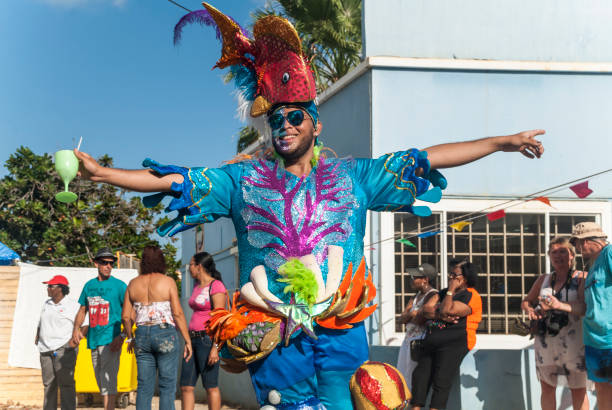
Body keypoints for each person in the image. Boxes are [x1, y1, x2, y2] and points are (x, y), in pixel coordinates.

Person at [73, 4, 543, 408]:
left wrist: (501, 141)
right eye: (275, 118)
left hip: (342, 334)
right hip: (275, 338)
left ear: (315, 124)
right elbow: (174, 179)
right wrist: (103, 175)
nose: (284, 125)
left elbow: (427, 158)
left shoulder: (353, 176)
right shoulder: (243, 180)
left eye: (295, 116)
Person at [521, 237, 590, 410]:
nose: (558, 256)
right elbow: (526, 301)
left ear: (572, 255)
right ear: (549, 256)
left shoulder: (582, 278)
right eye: (554, 252)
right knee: (547, 387)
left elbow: (584, 307)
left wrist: (559, 305)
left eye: (563, 251)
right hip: (546, 342)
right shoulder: (543, 279)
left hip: (574, 343)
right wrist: (531, 310)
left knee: (578, 390)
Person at [121, 245, 192, 410]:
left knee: (144, 387)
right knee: (167, 386)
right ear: (161, 260)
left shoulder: (133, 284)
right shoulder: (167, 282)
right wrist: (187, 340)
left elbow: (125, 316)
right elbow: (178, 313)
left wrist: (130, 338)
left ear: (143, 262)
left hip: (141, 335)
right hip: (165, 333)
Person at [411, 259, 482, 410]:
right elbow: (425, 309)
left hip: (454, 344)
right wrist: (439, 314)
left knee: (441, 381)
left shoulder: (471, 296)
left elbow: (448, 310)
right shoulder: (442, 293)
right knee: (420, 378)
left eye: (455, 275)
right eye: (450, 274)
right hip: (431, 342)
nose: (451, 277)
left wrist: (449, 293)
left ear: (465, 277)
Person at [72, 247, 127, 410]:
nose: (108, 266)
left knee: (108, 380)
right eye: (104, 263)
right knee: (100, 380)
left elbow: (131, 312)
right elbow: (83, 309)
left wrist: (123, 335)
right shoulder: (89, 285)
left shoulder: (119, 286)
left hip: (112, 339)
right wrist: (76, 329)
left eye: (111, 263)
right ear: (95, 263)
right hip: (93, 340)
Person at [570, 222, 612, 410]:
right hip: (594, 339)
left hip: (610, 337)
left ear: (586, 241)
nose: (578, 249)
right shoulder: (593, 266)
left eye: (577, 244)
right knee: (602, 389)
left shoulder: (608, 254)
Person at [180, 252, 227, 410]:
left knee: (210, 386)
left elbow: (221, 319)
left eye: (191, 265)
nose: (190, 269)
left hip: (207, 341)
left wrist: (215, 348)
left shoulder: (216, 286)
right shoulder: (196, 285)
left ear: (199, 266)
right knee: (186, 386)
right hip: (191, 340)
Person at [36, 275, 86, 410]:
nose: (48, 288)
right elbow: (41, 322)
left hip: (64, 350)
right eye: (48, 286)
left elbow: (85, 324)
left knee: (66, 384)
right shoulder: (47, 303)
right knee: (49, 385)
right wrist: (37, 337)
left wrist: (76, 339)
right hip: (45, 350)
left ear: (60, 289)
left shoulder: (73, 305)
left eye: (51, 286)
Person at [396, 263, 438, 389]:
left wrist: (412, 314)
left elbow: (421, 318)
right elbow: (401, 319)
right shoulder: (414, 297)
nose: (412, 280)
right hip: (408, 340)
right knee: (402, 374)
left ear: (425, 279)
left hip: (420, 342)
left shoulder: (434, 295)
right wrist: (413, 313)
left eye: (415, 277)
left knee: (412, 376)